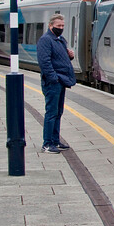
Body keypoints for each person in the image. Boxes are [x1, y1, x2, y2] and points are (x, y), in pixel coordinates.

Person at [37, 13, 76, 153]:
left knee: (58, 112)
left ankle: (55, 140)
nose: (61, 28)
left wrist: (69, 57)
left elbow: (58, 59)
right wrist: (54, 78)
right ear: (50, 25)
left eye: (62, 26)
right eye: (58, 26)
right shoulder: (46, 40)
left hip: (61, 81)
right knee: (51, 113)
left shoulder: (60, 39)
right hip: (53, 82)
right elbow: (44, 62)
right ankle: (47, 144)